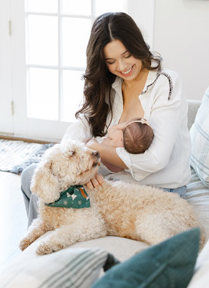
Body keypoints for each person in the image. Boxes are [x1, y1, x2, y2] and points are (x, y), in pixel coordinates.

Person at [20, 12, 191, 224]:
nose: (121, 67)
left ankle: (46, 240)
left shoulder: (166, 83)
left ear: (138, 45)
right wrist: (76, 164)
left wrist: (95, 151)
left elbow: (156, 159)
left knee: (53, 195)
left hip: (158, 187)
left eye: (127, 55)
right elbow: (82, 124)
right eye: (111, 61)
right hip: (112, 177)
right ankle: (39, 241)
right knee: (32, 176)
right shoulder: (110, 83)